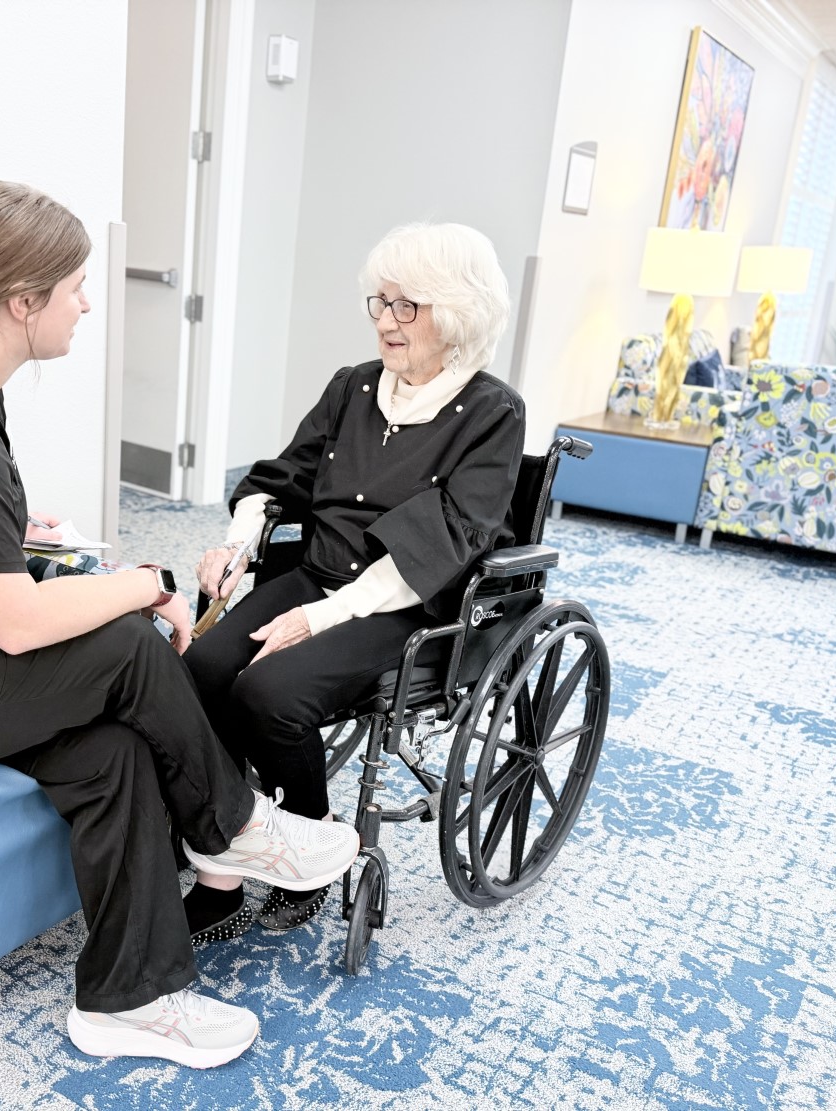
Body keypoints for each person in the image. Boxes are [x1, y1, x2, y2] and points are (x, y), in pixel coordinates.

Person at [0, 181, 360, 1070]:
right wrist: (147, 584)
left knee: (112, 749)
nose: (89, 303)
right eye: (77, 286)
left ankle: (130, 998)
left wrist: (19, 533)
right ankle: (234, 825)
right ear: (22, 302)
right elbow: (13, 625)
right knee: (129, 643)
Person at [183, 222, 524, 939]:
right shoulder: (353, 387)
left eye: (408, 306)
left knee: (269, 692)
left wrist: (323, 618)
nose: (385, 321)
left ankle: (313, 833)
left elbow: (449, 540)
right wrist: (236, 546)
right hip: (313, 573)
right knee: (203, 666)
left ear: (456, 312)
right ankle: (222, 862)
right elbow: (281, 478)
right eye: (381, 302)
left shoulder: (492, 413)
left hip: (401, 608)